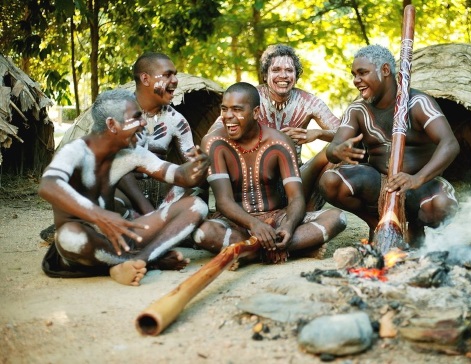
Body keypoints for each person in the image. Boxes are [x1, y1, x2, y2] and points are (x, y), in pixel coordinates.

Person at [39, 89, 210, 286]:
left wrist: (198, 167)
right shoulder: (75, 151)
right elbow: (48, 185)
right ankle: (143, 261)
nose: (144, 123)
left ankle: (141, 260)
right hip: (85, 242)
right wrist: (99, 216)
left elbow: (180, 176)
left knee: (196, 206)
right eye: (137, 117)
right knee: (70, 237)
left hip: (120, 239)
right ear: (112, 124)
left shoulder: (130, 152)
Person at [319, 45, 460, 247]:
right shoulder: (357, 110)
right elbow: (333, 149)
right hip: (377, 185)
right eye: (354, 75)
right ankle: (379, 225)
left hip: (418, 184)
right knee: (330, 181)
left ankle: (415, 227)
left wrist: (417, 179)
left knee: (442, 206)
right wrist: (336, 150)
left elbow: (450, 144)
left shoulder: (418, 103)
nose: (356, 80)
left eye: (362, 73)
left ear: (385, 71)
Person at [195, 82, 346, 264]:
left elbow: (296, 198)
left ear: (256, 113)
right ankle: (283, 249)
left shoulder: (279, 142)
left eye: (236, 110)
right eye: (224, 109)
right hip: (235, 224)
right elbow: (223, 201)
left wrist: (288, 226)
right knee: (203, 233)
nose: (228, 116)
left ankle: (249, 251)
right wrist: (254, 224)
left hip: (276, 219)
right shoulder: (214, 143)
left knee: (337, 217)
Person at [208, 44, 340, 211]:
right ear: (265, 74)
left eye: (289, 70)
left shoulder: (309, 102)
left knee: (337, 151)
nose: (283, 76)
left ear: (296, 75)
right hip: (255, 179)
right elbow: (214, 133)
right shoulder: (250, 98)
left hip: (295, 178)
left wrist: (317, 133)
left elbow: (345, 133)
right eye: (276, 70)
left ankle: (307, 212)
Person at [116, 52, 205, 216]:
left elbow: (191, 169)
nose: (175, 80)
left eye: (175, 75)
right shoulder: (118, 114)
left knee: (197, 201)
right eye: (167, 75)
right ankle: (154, 223)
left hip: (162, 199)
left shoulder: (176, 120)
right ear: (145, 79)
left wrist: (201, 166)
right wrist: (148, 212)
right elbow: (113, 166)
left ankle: (155, 223)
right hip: (126, 196)